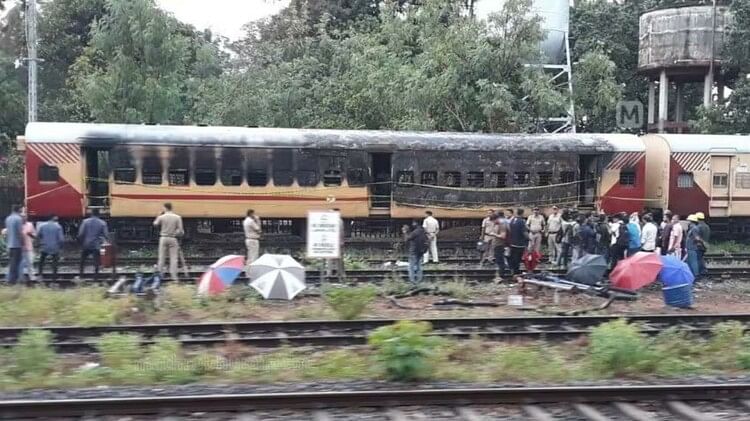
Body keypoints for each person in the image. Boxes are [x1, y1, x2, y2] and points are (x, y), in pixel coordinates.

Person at [153, 203, 184, 281]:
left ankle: (160, 275)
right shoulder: (177, 217)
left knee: (161, 257)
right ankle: (174, 276)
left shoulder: (162, 217)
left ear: (165, 208)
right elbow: (180, 231)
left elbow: (155, 224)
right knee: (174, 258)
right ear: (171, 208)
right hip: (173, 238)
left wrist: (158, 215)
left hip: (163, 238)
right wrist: (175, 233)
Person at [78, 209, 109, 281]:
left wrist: (81, 242)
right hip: (96, 245)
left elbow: (81, 234)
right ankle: (95, 278)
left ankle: (81, 275)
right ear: (99, 214)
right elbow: (106, 235)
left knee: (82, 261)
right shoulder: (102, 223)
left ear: (91, 214)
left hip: (86, 244)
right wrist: (104, 241)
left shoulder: (85, 222)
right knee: (96, 262)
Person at [37, 215, 65, 282]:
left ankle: (40, 275)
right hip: (55, 247)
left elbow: (39, 235)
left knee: (41, 261)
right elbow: (61, 239)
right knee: (55, 263)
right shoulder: (58, 226)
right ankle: (54, 279)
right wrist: (61, 247)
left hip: (45, 246)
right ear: (53, 218)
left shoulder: (42, 226)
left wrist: (40, 243)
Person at [3, 205, 24, 284]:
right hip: (17, 245)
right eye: (21, 210)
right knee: (16, 262)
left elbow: (7, 232)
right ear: (18, 210)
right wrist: (22, 242)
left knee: (12, 262)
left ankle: (12, 279)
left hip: (10, 244)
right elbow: (19, 232)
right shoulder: (18, 219)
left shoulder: (8, 218)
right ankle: (12, 280)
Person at [489, 212, 509, 281]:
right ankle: (500, 275)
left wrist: (494, 234)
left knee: (500, 261)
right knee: (498, 260)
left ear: (496, 219)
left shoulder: (501, 225)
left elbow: (503, 236)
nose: (492, 222)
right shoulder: (495, 224)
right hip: (496, 245)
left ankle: (501, 276)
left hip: (500, 245)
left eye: (493, 220)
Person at [508, 209, 527, 275]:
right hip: (520, 243)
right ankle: (516, 271)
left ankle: (512, 269)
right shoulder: (521, 221)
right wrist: (529, 239)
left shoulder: (513, 220)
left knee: (512, 257)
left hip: (512, 242)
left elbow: (509, 230)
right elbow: (524, 232)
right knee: (517, 258)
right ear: (522, 213)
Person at [19, 214, 37, 282]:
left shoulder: (30, 225)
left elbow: (35, 236)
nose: (24, 218)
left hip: (29, 247)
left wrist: (30, 234)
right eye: (22, 217)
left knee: (30, 262)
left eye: (25, 217)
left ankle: (32, 277)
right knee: (21, 264)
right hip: (20, 248)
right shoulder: (18, 225)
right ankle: (21, 277)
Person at [696, 212, 710, 277]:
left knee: (698, 258)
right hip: (705, 245)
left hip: (699, 245)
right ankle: (704, 270)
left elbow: (697, 237)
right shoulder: (707, 226)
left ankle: (702, 271)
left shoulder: (698, 227)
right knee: (701, 257)